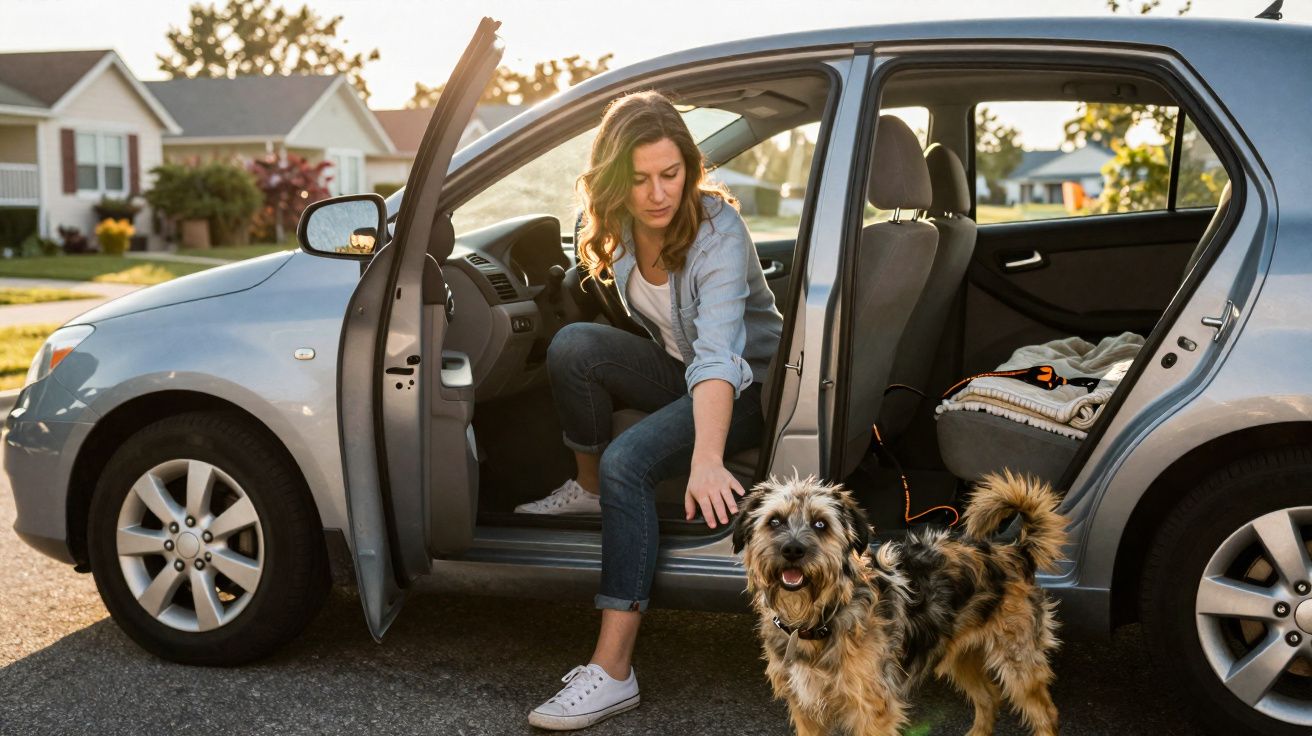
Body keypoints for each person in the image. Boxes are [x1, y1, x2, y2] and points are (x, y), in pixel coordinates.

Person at [517, 90, 783, 730]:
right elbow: (669, 342)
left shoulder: (716, 231)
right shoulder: (613, 230)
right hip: (684, 373)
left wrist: (708, 457)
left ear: (690, 169)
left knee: (629, 460)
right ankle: (586, 490)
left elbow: (718, 357)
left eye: (672, 174)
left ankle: (612, 671)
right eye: (639, 180)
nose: (659, 194)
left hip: (751, 387)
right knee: (573, 345)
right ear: (614, 180)